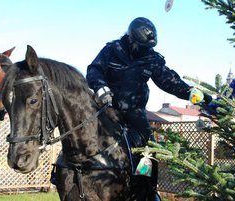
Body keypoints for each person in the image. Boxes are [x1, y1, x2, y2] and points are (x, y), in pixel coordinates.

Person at [86, 17, 211, 201]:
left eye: (149, 47)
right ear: (131, 39)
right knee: (80, 129)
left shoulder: (152, 58)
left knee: (149, 146)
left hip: (134, 111)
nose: (146, 50)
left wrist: (193, 93)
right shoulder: (111, 50)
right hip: (105, 107)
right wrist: (102, 88)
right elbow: (94, 70)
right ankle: (66, 171)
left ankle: (147, 190)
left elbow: (169, 81)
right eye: (142, 46)